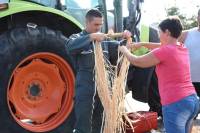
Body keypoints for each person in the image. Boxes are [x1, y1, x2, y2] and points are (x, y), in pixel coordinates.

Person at [119, 16, 200, 133]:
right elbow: (161, 46)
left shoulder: (165, 51)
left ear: (167, 32)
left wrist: (125, 50)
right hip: (192, 101)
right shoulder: (181, 47)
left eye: (159, 32)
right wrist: (141, 44)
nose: (158, 35)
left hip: (175, 103)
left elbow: (138, 61)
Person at [66, 9, 131, 133]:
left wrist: (126, 38)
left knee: (100, 123)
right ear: (87, 23)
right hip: (85, 89)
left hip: (104, 90)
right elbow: (70, 46)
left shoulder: (104, 41)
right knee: (83, 125)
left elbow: (119, 48)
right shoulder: (78, 38)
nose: (99, 28)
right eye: (96, 25)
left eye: (100, 25)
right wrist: (91, 37)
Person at [178, 9, 200, 97]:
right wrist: (144, 44)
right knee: (188, 110)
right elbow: (165, 47)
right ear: (197, 17)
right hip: (187, 83)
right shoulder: (185, 35)